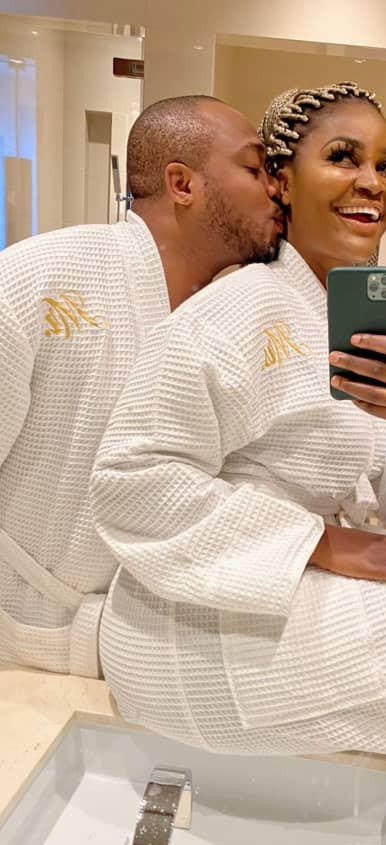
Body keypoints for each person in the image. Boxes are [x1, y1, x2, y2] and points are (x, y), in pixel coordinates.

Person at [91, 82, 386, 757]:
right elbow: (132, 481)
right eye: (343, 157)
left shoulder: (341, 318)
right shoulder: (238, 307)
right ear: (282, 182)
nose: (374, 183)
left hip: (276, 587)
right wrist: (326, 543)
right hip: (200, 623)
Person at [0, 94, 279, 678]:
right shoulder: (37, 280)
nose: (276, 189)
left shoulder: (232, 317)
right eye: (256, 168)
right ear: (182, 184)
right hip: (20, 651)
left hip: (150, 646)